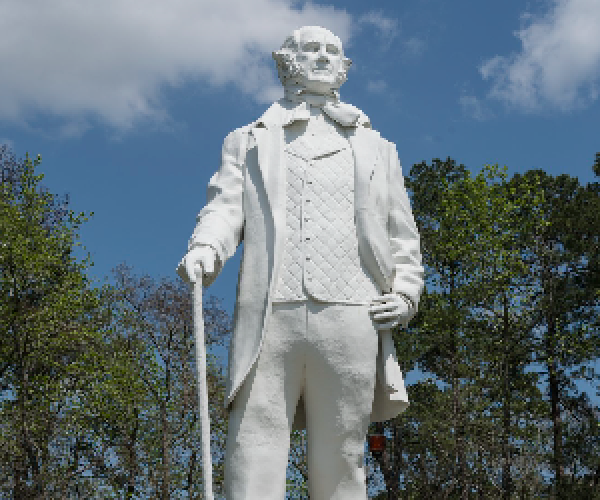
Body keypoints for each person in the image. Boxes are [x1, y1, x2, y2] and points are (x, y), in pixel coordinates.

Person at [177, 25, 424, 500]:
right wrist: (206, 247)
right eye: (311, 48)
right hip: (271, 312)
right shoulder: (247, 141)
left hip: (354, 311)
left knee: (343, 452)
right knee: (253, 442)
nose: (324, 57)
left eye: (333, 51)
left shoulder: (378, 149)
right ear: (285, 61)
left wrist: (406, 293)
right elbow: (225, 207)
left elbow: (402, 236)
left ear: (345, 67)